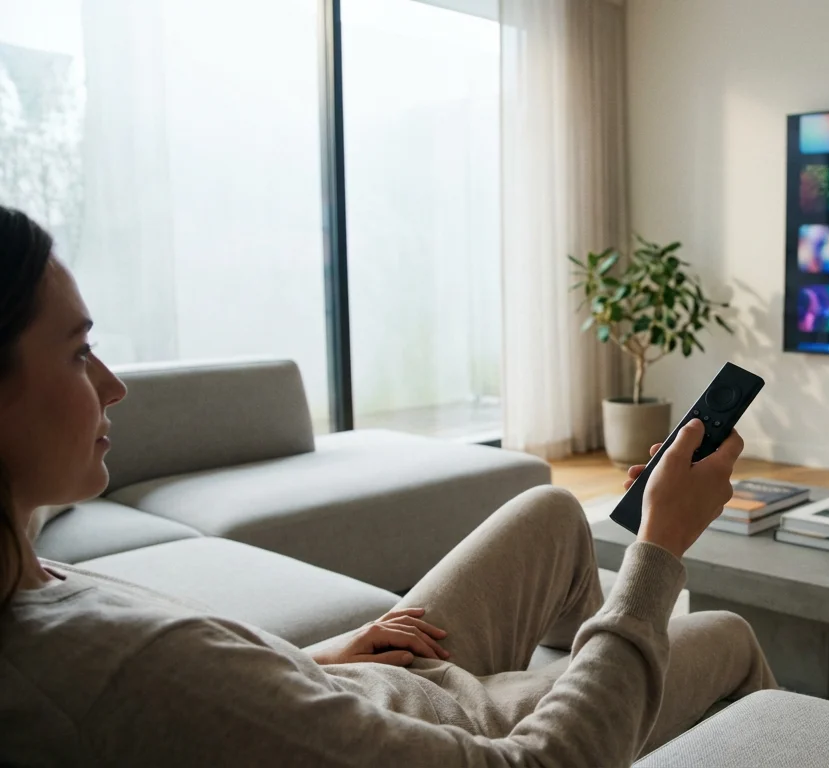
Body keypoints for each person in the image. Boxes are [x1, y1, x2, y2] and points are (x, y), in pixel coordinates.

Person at [0, 205, 777, 765]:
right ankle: (606, 685)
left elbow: (225, 698)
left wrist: (322, 658)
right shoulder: (107, 665)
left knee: (551, 512)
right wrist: (660, 547)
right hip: (475, 729)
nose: (113, 386)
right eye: (76, 354)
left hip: (377, 677)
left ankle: (596, 670)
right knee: (731, 637)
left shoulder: (29, 585)